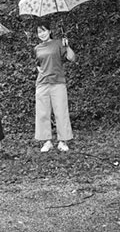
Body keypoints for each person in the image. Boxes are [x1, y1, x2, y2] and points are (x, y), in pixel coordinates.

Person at [34, 19, 77, 152]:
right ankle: (47, 142)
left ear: (50, 31)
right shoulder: (36, 48)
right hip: (42, 84)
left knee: (61, 112)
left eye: (44, 31)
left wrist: (67, 45)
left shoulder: (59, 44)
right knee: (42, 113)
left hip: (58, 82)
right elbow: (38, 63)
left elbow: (72, 58)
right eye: (39, 32)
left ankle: (62, 141)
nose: (42, 34)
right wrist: (39, 70)